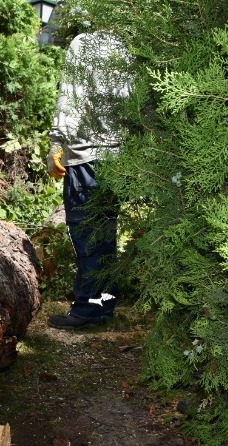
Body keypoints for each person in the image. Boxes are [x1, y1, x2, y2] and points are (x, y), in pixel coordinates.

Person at [46, 31, 132, 330]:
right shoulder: (130, 41)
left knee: (86, 238)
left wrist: (56, 144)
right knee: (106, 237)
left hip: (86, 158)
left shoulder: (85, 43)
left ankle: (86, 310)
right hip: (120, 160)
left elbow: (72, 98)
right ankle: (104, 305)